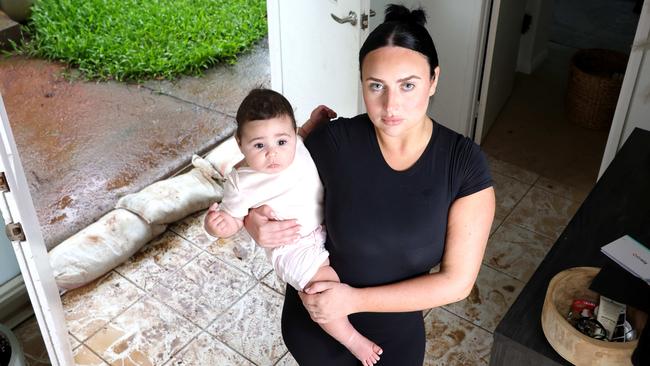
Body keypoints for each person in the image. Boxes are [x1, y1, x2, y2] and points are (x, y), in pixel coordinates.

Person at [243, 4, 495, 365]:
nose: (391, 105)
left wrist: (353, 300)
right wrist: (253, 221)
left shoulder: (463, 164)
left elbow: (457, 282)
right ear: (361, 81)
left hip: (393, 341)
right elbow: (253, 165)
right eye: (376, 86)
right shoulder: (333, 142)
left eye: (408, 85)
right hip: (314, 327)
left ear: (434, 79)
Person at [204, 88, 383, 365]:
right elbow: (232, 220)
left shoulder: (297, 144)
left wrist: (314, 122)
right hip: (291, 246)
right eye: (259, 146)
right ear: (240, 143)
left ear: (292, 133)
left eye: (280, 142)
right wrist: (217, 225)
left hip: (321, 227)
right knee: (324, 289)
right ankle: (351, 339)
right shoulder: (241, 182)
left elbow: (303, 133)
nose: (272, 154)